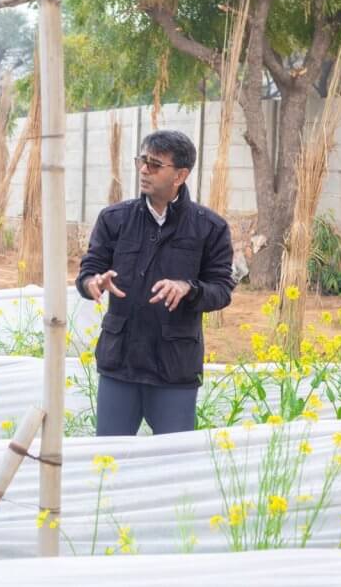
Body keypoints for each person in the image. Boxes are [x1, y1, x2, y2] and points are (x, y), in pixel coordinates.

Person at [76, 130, 235, 436]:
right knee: (108, 462)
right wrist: (93, 282)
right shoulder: (114, 219)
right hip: (119, 364)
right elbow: (88, 272)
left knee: (174, 466)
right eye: (142, 161)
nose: (144, 170)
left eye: (155, 164)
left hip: (174, 368)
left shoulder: (209, 227)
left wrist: (189, 288)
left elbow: (222, 289)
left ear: (180, 175)